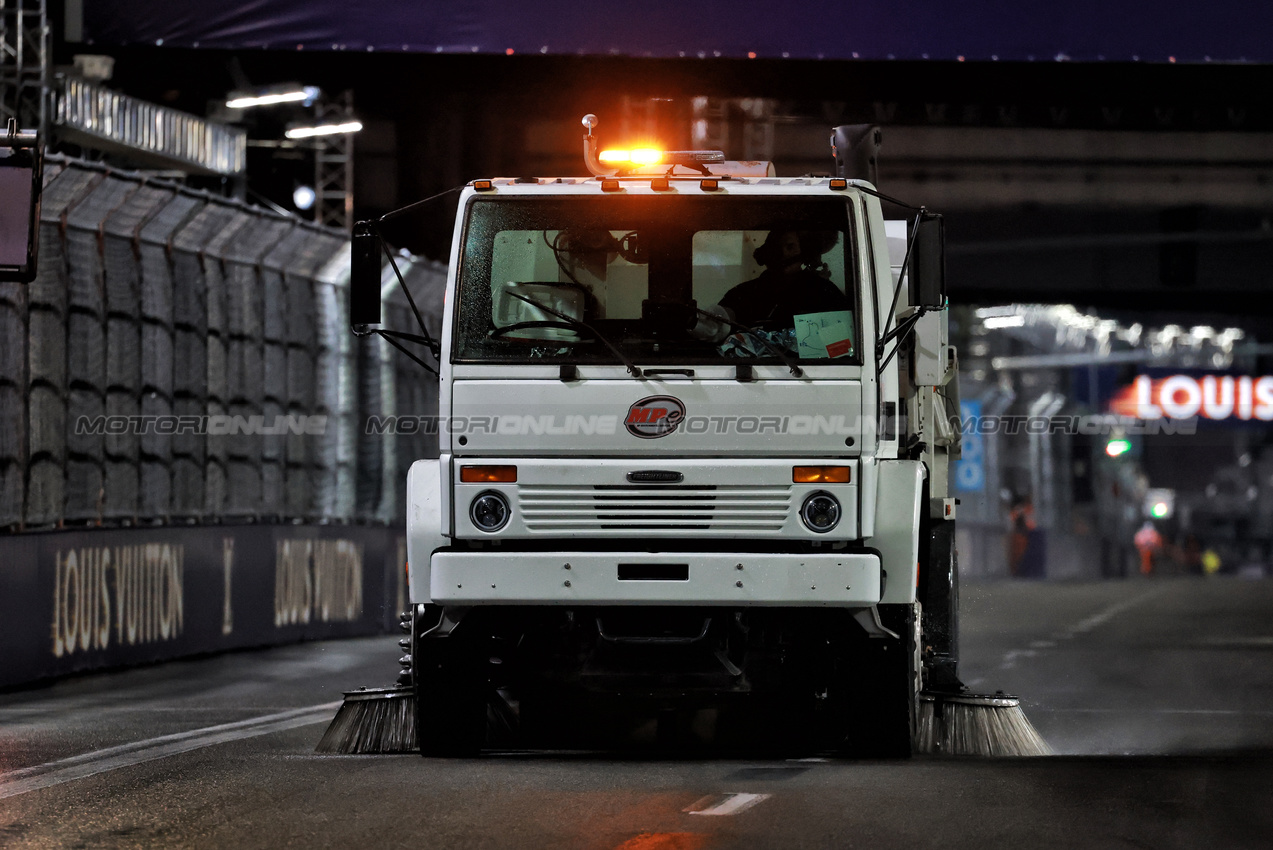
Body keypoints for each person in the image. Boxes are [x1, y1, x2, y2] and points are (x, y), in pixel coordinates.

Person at [718, 230, 849, 329]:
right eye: (775, 247)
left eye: (790, 246)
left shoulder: (825, 293)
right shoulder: (742, 294)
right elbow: (718, 325)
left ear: (805, 252)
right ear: (766, 253)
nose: (783, 253)